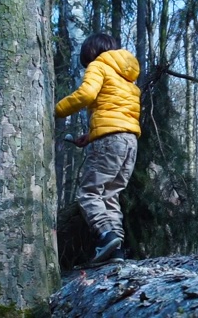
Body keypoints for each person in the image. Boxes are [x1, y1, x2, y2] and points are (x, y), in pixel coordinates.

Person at [55, 33, 141, 265]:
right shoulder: (128, 78)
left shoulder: (99, 65)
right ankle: (115, 250)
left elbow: (87, 94)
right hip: (130, 140)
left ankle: (106, 234)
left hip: (109, 139)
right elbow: (118, 113)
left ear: (92, 52)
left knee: (89, 193)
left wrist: (57, 110)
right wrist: (91, 135)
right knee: (110, 195)